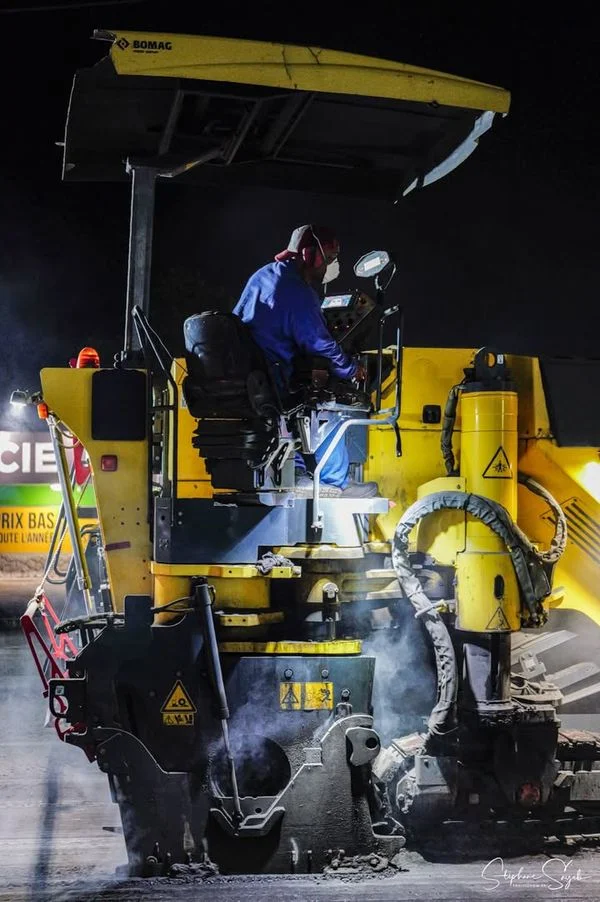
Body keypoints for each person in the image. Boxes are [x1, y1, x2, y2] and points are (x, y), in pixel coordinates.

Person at [233, 224, 378, 498]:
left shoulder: (262, 275)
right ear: (312, 256)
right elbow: (320, 342)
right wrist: (349, 369)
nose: (327, 270)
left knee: (297, 404)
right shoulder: (298, 292)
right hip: (272, 378)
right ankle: (336, 482)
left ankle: (296, 469)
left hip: (249, 375)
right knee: (327, 406)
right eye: (329, 261)